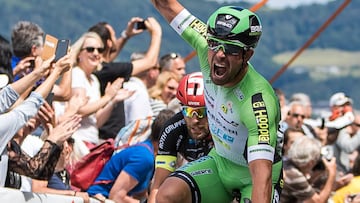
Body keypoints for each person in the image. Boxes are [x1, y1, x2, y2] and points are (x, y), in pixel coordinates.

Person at [151, 2, 283, 202]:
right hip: (220, 162)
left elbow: (261, 177)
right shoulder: (206, 46)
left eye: (231, 49)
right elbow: (167, 5)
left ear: (247, 55)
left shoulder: (258, 101)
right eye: (214, 44)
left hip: (253, 176)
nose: (220, 54)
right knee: (168, 195)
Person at [89, 17, 162, 140]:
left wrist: (126, 36)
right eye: (114, 36)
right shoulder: (111, 70)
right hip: (106, 137)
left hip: (101, 134)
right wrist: (157, 34)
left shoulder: (99, 70)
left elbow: (109, 56)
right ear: (109, 43)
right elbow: (149, 62)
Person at [64, 31, 132, 160]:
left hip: (91, 141)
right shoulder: (77, 74)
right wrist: (107, 97)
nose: (96, 53)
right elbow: (80, 111)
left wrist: (112, 100)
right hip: (78, 140)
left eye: (100, 50)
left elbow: (97, 120)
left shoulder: (94, 80)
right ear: (79, 54)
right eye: (90, 49)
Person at [148, 72, 213, 203]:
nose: (195, 120)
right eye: (188, 111)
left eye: (201, 112)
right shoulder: (172, 128)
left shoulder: (224, 126)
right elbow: (158, 186)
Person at [87, 109, 175, 203]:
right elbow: (116, 196)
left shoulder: (147, 151)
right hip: (98, 199)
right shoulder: (144, 157)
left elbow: (139, 194)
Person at [281, 136, 337, 203]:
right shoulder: (294, 175)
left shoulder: (285, 163)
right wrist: (332, 173)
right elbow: (318, 201)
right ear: (311, 162)